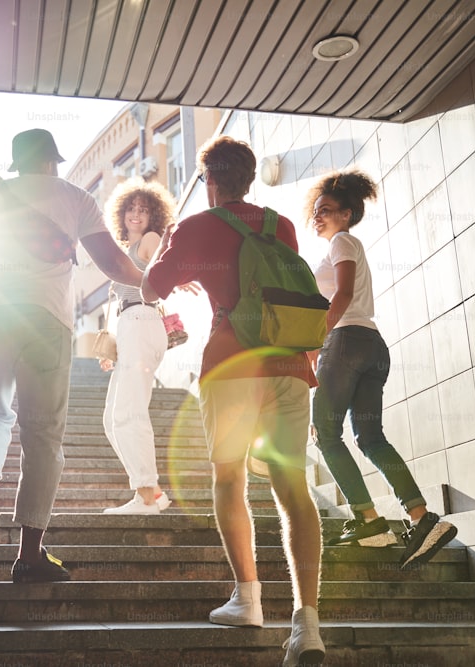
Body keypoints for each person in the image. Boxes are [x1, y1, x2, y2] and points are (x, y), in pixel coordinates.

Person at [142, 135, 326, 667]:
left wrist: (176, 247)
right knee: (294, 488)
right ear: (248, 178)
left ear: (211, 182)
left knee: (230, 478)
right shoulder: (280, 226)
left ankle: (247, 599)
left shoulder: (197, 226)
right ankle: (307, 627)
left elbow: (154, 287)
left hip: (231, 364)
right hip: (289, 365)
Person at [0, 128, 144, 584]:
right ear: (52, 161)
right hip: (45, 321)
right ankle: (29, 555)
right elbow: (114, 265)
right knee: (42, 435)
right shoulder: (75, 197)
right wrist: (157, 284)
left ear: (18, 161)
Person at [305, 169, 457, 568]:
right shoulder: (344, 243)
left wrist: (317, 340)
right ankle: (421, 517)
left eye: (327, 210)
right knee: (370, 438)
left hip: (346, 341)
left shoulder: (342, 241)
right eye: (316, 211)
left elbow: (343, 293)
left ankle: (369, 520)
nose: (317, 217)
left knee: (324, 433)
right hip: (372, 346)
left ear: (348, 213)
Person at [99, 178, 177, 515]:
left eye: (144, 210)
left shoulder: (149, 240)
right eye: (131, 208)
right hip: (130, 327)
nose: (136, 214)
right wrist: (111, 345)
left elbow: (160, 270)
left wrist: (177, 272)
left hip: (142, 322)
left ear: (152, 216)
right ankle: (154, 492)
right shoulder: (123, 252)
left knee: (130, 413)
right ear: (121, 213)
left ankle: (145, 496)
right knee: (110, 419)